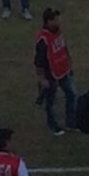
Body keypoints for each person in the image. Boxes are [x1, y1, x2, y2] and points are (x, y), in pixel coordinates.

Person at [34, 8, 78, 136]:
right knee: (51, 102)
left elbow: (64, 47)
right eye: (56, 19)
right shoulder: (43, 39)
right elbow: (39, 62)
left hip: (63, 70)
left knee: (72, 94)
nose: (59, 21)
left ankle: (71, 122)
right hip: (50, 74)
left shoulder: (58, 32)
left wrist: (69, 64)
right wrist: (42, 79)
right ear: (49, 21)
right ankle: (53, 126)